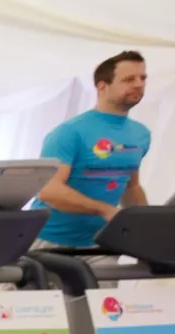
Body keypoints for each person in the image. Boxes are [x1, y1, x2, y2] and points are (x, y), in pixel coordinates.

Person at [30, 51, 152, 251]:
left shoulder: (141, 134)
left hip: (100, 242)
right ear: (102, 87)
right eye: (129, 79)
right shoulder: (70, 132)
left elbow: (130, 186)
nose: (139, 84)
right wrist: (105, 210)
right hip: (48, 240)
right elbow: (49, 191)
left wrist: (147, 224)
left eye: (142, 78)